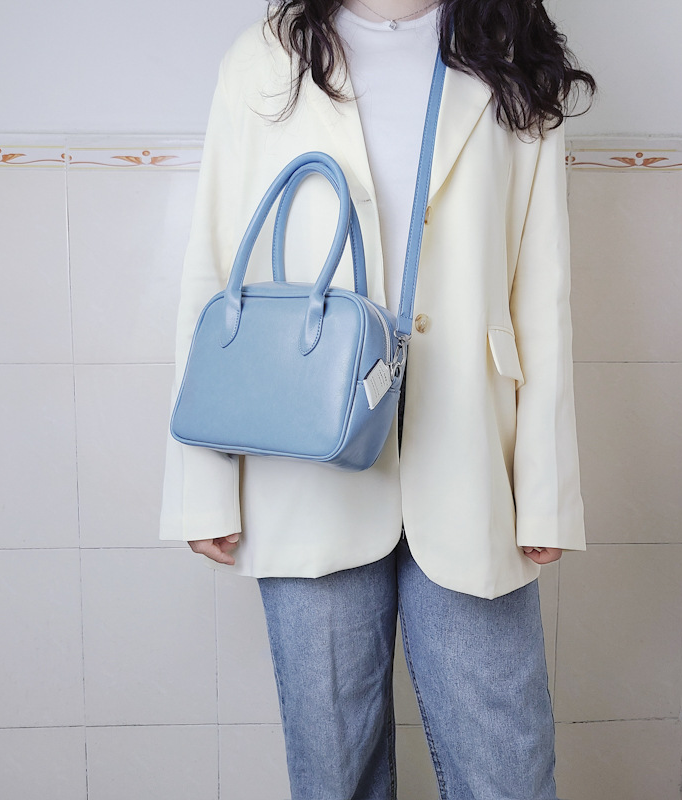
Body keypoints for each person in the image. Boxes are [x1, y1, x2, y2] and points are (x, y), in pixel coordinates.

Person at [160, 0, 596, 797]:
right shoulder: (265, 57)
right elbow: (214, 270)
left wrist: (546, 493)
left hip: (472, 458)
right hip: (304, 457)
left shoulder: (509, 52)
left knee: (508, 772)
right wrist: (203, 484)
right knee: (335, 777)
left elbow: (544, 290)